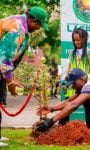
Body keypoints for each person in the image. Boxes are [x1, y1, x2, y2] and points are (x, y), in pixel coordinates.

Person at [0, 6, 49, 147]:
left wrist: (11, 78)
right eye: (40, 25)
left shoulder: (19, 24)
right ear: (34, 21)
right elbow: (4, 58)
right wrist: (10, 83)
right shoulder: (16, 29)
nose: (39, 29)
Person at [60, 28, 90, 127]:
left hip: (85, 85)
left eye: (78, 40)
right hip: (73, 85)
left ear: (84, 39)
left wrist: (89, 84)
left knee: (89, 108)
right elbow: (69, 68)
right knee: (67, 106)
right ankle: (62, 127)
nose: (76, 42)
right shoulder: (71, 52)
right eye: (74, 40)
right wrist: (66, 82)